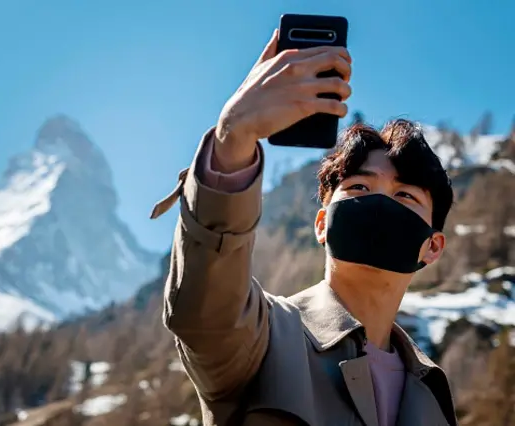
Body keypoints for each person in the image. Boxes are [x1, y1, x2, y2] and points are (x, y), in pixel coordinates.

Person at [151, 29, 457, 426]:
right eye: (359, 188)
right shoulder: (265, 336)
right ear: (321, 224)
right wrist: (233, 140)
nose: (379, 204)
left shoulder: (431, 391)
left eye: (405, 197)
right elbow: (204, 311)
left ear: (432, 247)